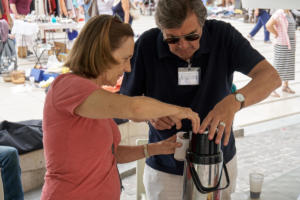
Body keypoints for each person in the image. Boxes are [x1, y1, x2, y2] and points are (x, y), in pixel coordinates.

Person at [120, 0, 281, 199]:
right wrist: (149, 116)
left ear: (203, 24)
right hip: (166, 168)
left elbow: (271, 78)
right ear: (161, 30)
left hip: (218, 161)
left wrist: (234, 101)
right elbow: (125, 106)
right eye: (172, 39)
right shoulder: (146, 44)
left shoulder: (223, 35)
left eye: (192, 36)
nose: (183, 46)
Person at [41, 15, 200, 200]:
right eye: (124, 59)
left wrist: (156, 148)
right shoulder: (67, 86)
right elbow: (134, 108)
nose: (128, 68)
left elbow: (110, 154)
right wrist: (180, 110)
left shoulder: (95, 97)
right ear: (101, 54)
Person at [266, 9, 296, 97]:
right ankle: (271, 89)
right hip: (282, 43)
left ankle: (285, 86)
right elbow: (268, 25)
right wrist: (276, 34)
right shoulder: (279, 12)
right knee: (279, 65)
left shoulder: (289, 12)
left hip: (290, 43)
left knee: (289, 65)